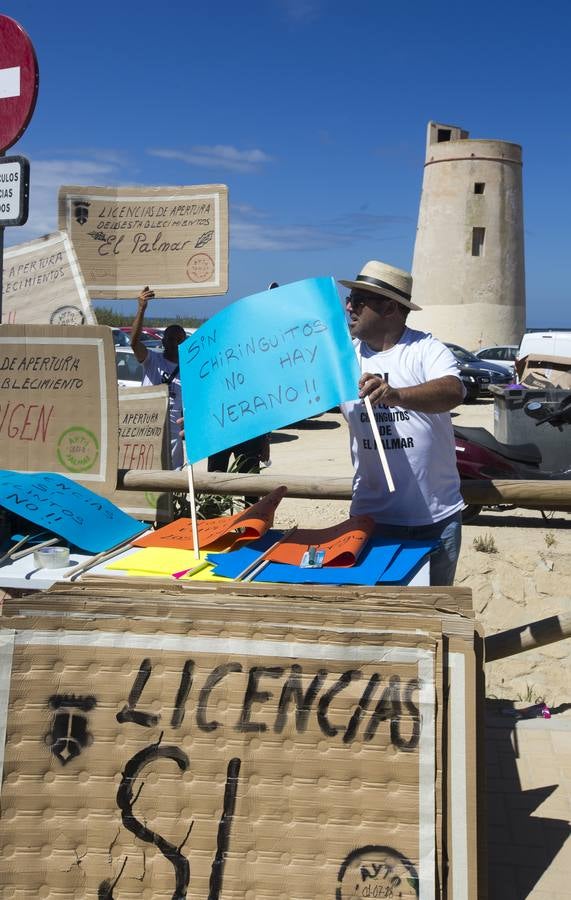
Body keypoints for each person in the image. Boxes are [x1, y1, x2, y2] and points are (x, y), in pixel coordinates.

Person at [338, 260, 466, 585]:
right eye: (350, 297)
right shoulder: (341, 360)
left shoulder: (425, 349)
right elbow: (288, 395)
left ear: (391, 308)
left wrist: (395, 395)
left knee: (433, 619)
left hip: (436, 518)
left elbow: (453, 390)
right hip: (371, 520)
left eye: (359, 300)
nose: (349, 305)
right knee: (379, 620)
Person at [206, 281, 278, 502]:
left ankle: (250, 532)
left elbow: (263, 401)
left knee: (251, 489)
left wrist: (265, 440)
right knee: (215, 487)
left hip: (250, 432)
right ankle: (214, 528)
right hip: (220, 431)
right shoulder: (215, 357)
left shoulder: (258, 360)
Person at [131, 286, 187, 469]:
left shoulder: (190, 372)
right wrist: (141, 308)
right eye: (169, 338)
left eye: (178, 340)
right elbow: (133, 342)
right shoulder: (151, 360)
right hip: (146, 436)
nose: (173, 343)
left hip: (173, 446)